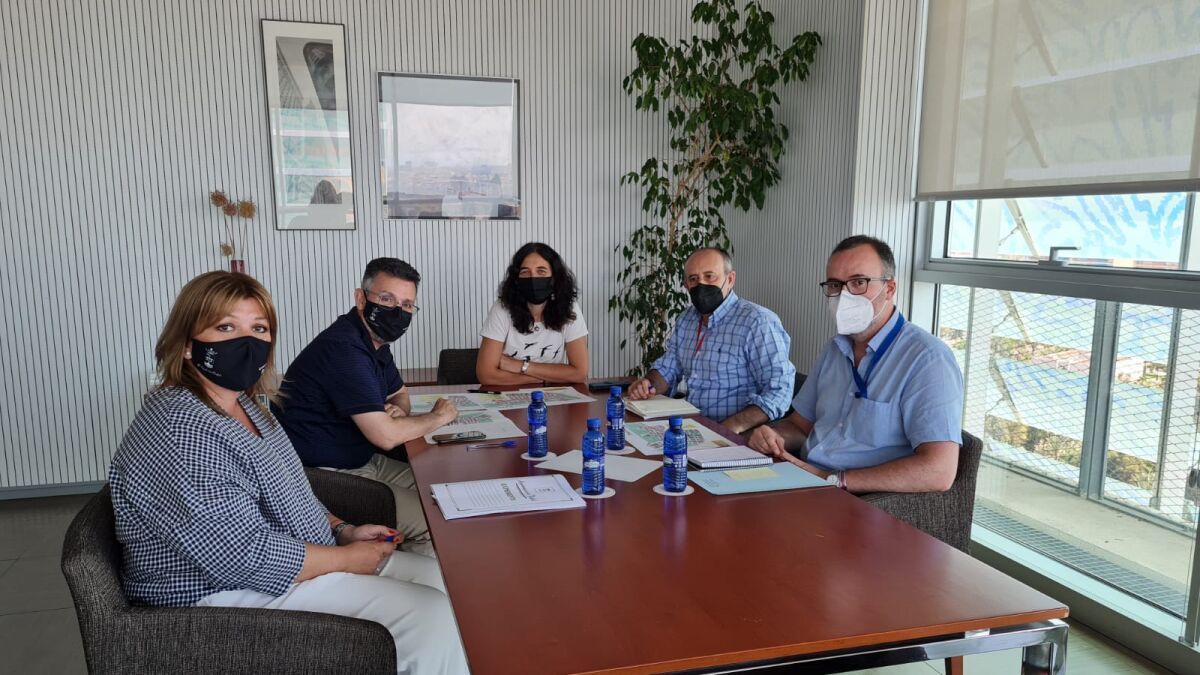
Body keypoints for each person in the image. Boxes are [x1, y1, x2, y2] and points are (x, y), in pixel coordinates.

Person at [108, 271, 467, 673]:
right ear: (188, 344)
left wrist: (341, 530)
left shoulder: (247, 406)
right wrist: (345, 559)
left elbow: (292, 490)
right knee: (430, 616)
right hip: (216, 595)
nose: (246, 341)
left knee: (445, 581)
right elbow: (240, 555)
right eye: (225, 327)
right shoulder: (180, 430)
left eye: (259, 329)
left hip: (285, 559)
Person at [748, 235, 964, 493]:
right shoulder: (835, 348)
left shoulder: (927, 359)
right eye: (835, 285)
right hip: (803, 479)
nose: (844, 295)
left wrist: (834, 479)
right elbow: (799, 426)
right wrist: (773, 437)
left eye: (859, 282)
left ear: (889, 288)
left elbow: (939, 471)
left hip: (857, 498)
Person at [273, 258, 456, 558]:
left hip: (361, 458)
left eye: (407, 305)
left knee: (445, 489)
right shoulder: (345, 349)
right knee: (435, 517)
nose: (397, 312)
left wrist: (397, 411)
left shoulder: (374, 342)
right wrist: (439, 416)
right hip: (324, 475)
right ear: (361, 299)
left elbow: (400, 393)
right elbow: (385, 436)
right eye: (387, 299)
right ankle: (415, 581)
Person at [627, 247, 795, 434]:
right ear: (686, 285)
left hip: (736, 434)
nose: (701, 285)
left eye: (709, 276)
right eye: (693, 279)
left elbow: (779, 391)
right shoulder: (687, 319)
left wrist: (730, 428)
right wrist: (647, 384)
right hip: (692, 427)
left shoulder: (758, 322)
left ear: (730, 279)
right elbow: (669, 367)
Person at [476, 242, 589, 385]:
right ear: (517, 279)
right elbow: (486, 375)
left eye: (541, 271)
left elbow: (579, 372)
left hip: (551, 395)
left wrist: (521, 366)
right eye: (525, 272)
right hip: (509, 394)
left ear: (554, 277)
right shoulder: (502, 308)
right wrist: (547, 377)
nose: (533, 278)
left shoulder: (569, 308)